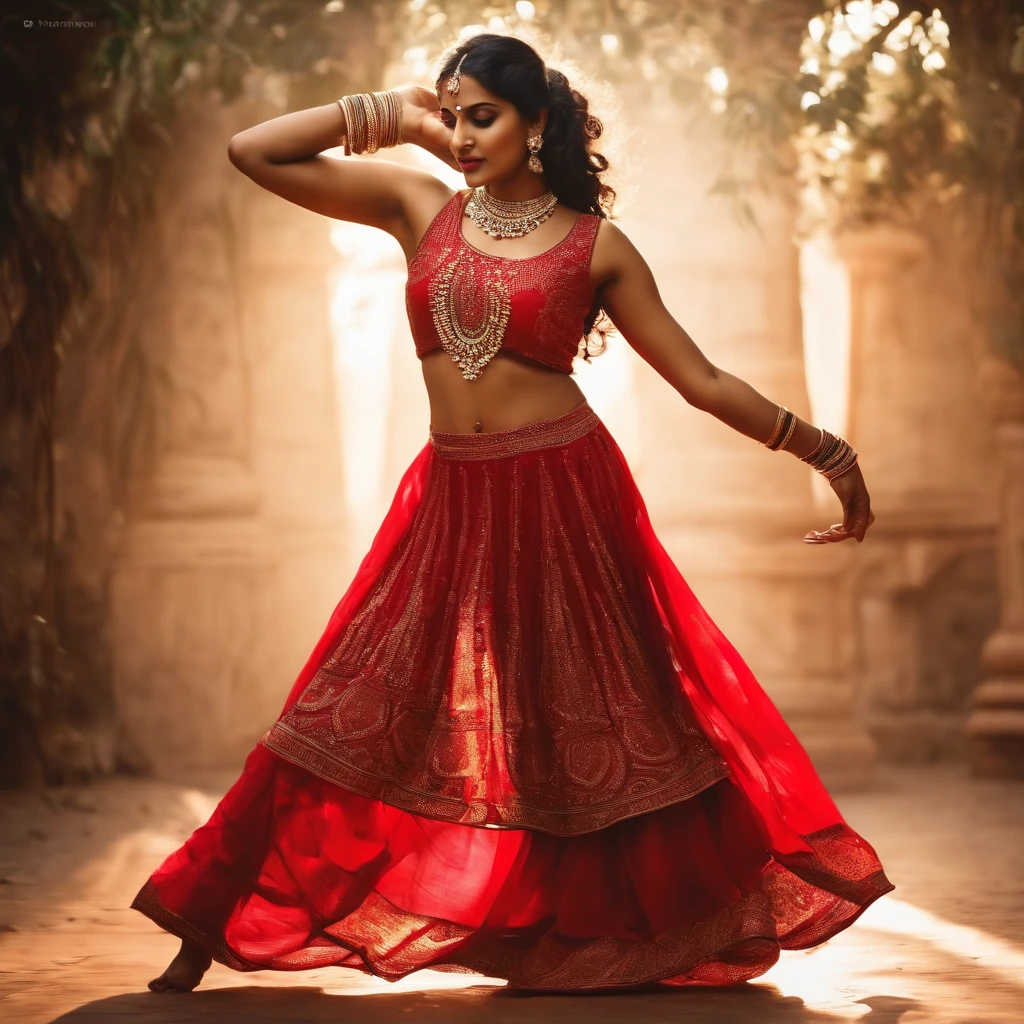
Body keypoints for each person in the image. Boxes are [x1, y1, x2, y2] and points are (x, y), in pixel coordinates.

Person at [133, 33, 892, 994]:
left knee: (596, 721)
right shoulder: (419, 208)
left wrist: (826, 451)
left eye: (479, 115)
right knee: (340, 702)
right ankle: (211, 912)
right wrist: (392, 113)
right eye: (451, 115)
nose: (459, 135)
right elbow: (256, 151)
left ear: (538, 122)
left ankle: (617, 925)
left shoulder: (595, 246)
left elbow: (699, 378)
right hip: (453, 493)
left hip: (565, 494)